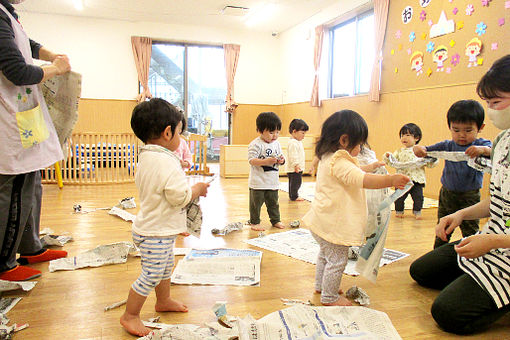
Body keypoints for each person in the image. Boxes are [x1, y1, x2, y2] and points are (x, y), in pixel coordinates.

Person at [409, 55, 510, 335]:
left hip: (501, 248)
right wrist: (460, 214)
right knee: (421, 271)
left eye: (496, 102)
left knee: (446, 314)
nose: (491, 111)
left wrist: (492, 241)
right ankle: (475, 281)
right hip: (491, 241)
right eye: (487, 104)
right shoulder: (503, 141)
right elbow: (501, 202)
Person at [120, 98, 209, 337]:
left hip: (153, 227)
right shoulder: (166, 163)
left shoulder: (148, 155)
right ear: (168, 132)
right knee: (151, 273)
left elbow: (160, 182)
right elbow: (179, 197)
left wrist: (175, 164)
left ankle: (164, 300)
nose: (181, 137)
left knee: (166, 266)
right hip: (155, 232)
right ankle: (130, 315)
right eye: (179, 132)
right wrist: (197, 190)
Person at [302, 110, 409, 306]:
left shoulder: (329, 156)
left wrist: (372, 166)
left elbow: (356, 171)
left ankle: (321, 285)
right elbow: (362, 179)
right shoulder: (340, 161)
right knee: (338, 261)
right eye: (359, 144)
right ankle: (329, 296)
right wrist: (390, 180)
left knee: (325, 256)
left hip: (320, 221)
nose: (360, 148)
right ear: (344, 141)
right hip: (333, 225)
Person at [0, 0, 71, 281]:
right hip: (10, 119)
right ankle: (4, 263)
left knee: (32, 183)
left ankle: (30, 245)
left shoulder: (8, 14)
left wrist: (50, 53)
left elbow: (23, 43)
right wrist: (56, 69)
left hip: (25, 115)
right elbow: (17, 71)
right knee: (14, 191)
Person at [413, 100, 492, 248]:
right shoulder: (447, 145)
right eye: (456, 130)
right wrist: (418, 149)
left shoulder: (482, 144)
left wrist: (482, 150)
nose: (461, 135)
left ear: (480, 127)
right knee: (443, 228)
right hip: (447, 194)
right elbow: (425, 150)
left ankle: (470, 256)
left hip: (470, 196)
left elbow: (495, 151)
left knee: (470, 231)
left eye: (468, 130)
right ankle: (437, 253)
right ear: (449, 127)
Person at [384, 123, 437, 220]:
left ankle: (417, 211)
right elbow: (391, 160)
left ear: (416, 138)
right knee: (399, 197)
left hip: (416, 180)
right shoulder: (399, 151)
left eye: (407, 135)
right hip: (402, 179)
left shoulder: (420, 151)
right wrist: (388, 156)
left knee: (418, 197)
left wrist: (432, 158)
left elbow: (429, 164)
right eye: (402, 135)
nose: (404, 138)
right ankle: (399, 211)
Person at [247, 111, 286, 231]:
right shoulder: (256, 144)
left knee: (273, 203)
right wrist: (266, 161)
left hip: (272, 182)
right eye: (271, 132)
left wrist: (282, 160)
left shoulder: (277, 144)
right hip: (258, 182)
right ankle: (255, 222)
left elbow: (281, 156)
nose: (275, 135)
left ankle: (276, 220)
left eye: (277, 132)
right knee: (256, 204)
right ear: (260, 130)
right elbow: (252, 160)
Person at [286, 118, 309, 201]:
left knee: (296, 182)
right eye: (302, 133)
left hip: (297, 167)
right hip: (294, 168)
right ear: (294, 131)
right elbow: (293, 155)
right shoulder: (293, 143)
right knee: (295, 183)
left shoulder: (297, 142)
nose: (304, 135)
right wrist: (296, 164)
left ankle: (293, 194)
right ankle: (294, 196)